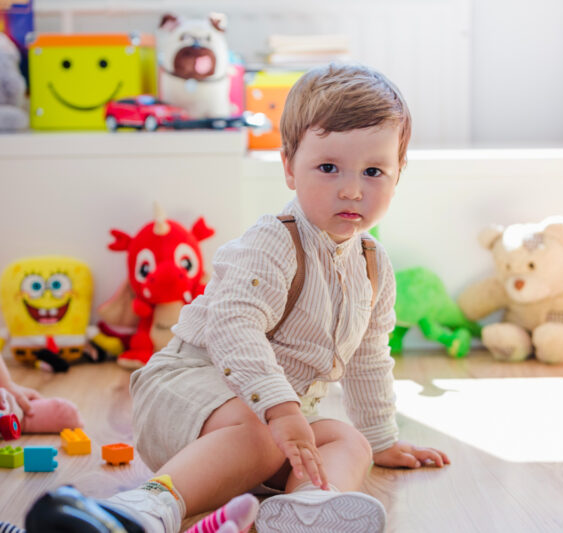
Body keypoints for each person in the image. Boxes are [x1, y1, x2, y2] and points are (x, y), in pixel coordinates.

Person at [103, 62, 449, 533]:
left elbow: (369, 359)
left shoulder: (373, 264)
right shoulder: (275, 240)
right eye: (328, 168)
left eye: (373, 171)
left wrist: (380, 438)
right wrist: (282, 410)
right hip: (187, 391)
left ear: (398, 174)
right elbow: (234, 327)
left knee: (349, 443)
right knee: (263, 431)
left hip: (267, 420)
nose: (351, 189)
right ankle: (153, 504)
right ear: (289, 166)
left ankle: (308, 506)